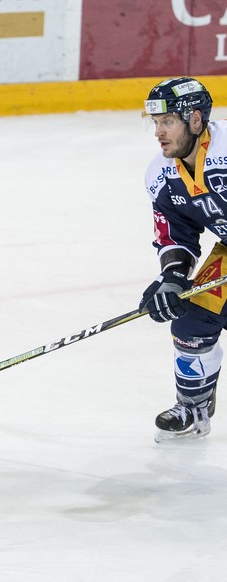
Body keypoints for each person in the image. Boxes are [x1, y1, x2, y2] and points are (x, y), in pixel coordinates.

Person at [139, 77, 227, 443]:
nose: (158, 132)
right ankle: (193, 406)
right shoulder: (160, 175)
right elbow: (177, 234)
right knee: (191, 317)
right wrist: (173, 278)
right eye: (155, 123)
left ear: (194, 120)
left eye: (167, 122)